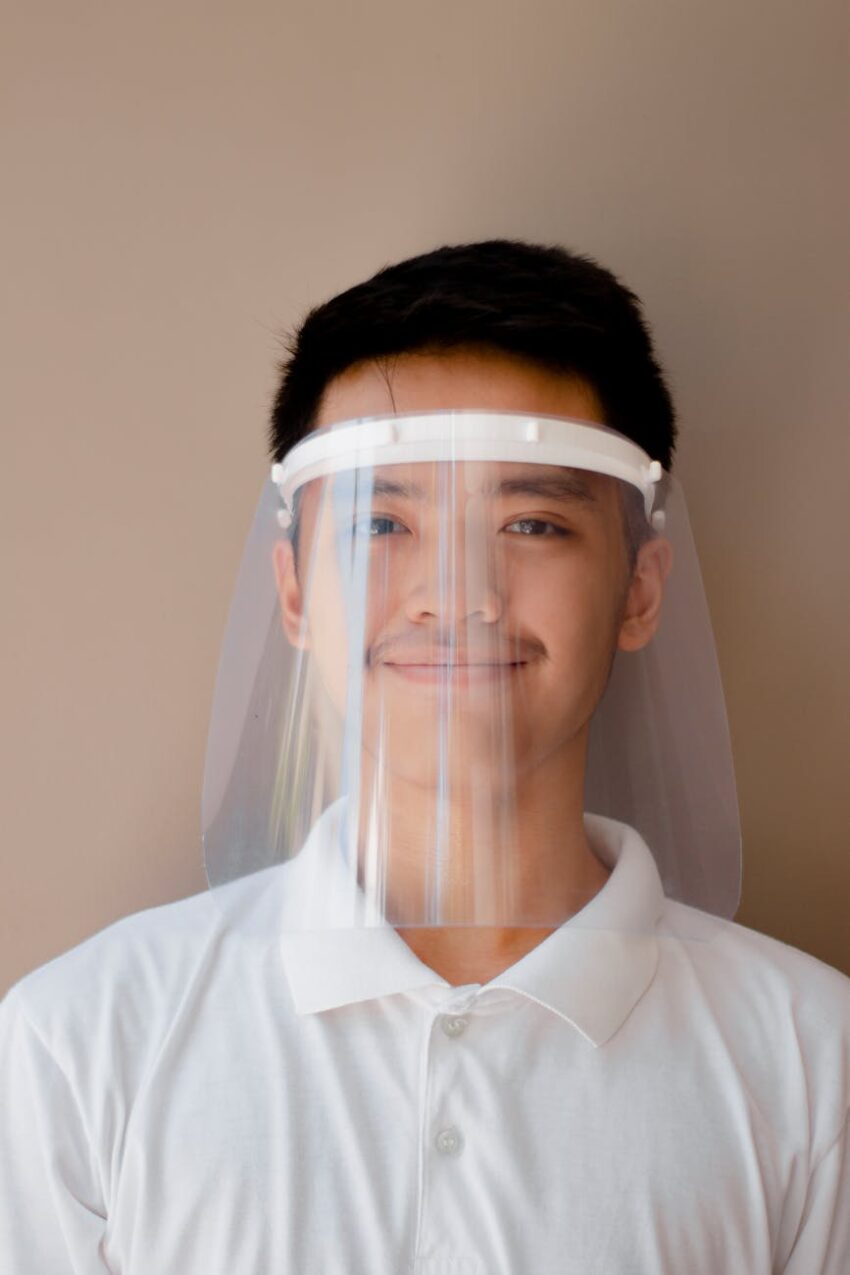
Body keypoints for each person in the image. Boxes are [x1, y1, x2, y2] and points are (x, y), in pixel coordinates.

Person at [1, 240, 848, 1274]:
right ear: (296, 593)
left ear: (640, 591)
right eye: (380, 520)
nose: (456, 595)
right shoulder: (82, 1045)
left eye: (532, 521)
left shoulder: (812, 1065)